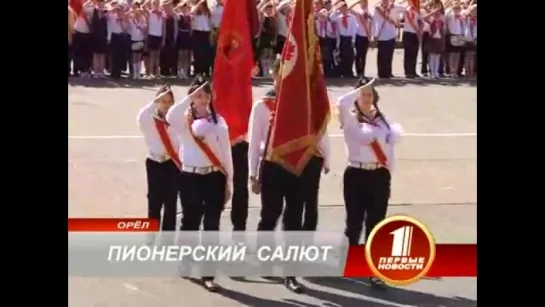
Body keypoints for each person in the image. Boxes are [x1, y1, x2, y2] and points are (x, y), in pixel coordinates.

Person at [165, 75, 233, 292]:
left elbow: (226, 153)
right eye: (198, 96)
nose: (203, 99)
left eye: (206, 95)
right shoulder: (182, 121)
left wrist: (229, 180)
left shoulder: (219, 122)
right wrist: (189, 97)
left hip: (214, 176)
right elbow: (170, 114)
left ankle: (208, 274)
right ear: (192, 98)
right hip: (189, 176)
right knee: (189, 222)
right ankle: (186, 261)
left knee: (211, 226)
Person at [336, 76, 403, 289]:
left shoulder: (382, 120)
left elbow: (390, 147)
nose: (366, 97)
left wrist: (388, 171)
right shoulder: (350, 118)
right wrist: (358, 89)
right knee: (354, 223)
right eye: (363, 94)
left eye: (370, 94)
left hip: (379, 176)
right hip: (356, 174)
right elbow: (341, 103)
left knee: (376, 224)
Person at [248, 59, 304, 293]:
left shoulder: (301, 103)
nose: (284, 79)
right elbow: (254, 142)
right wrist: (253, 174)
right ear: (274, 77)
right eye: (280, 75)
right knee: (269, 215)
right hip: (271, 165)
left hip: (294, 166)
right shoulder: (263, 105)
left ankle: (290, 273)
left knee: (293, 220)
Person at [136, 84, 181, 232]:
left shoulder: (175, 121)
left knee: (170, 204)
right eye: (163, 101)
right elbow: (141, 117)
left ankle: (168, 242)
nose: (166, 105)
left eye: (169, 102)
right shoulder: (150, 120)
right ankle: (151, 239)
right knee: (154, 203)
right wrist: (155, 101)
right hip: (155, 163)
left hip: (171, 163)